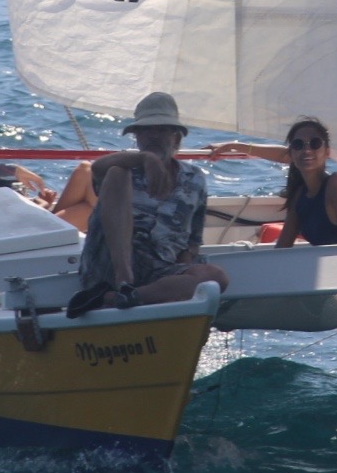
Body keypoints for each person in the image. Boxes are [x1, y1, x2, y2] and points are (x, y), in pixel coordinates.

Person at [69, 92, 228, 314]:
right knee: (116, 173)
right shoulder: (123, 169)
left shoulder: (194, 179)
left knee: (215, 277)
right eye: (145, 130)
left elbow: (192, 242)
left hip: (158, 270)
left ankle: (123, 297)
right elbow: (98, 168)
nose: (153, 136)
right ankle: (123, 282)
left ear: (176, 138)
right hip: (109, 267)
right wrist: (146, 159)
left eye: (162, 129)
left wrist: (183, 275)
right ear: (136, 137)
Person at [270, 116, 337, 247]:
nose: (306, 150)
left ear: (327, 152)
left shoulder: (336, 184)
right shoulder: (299, 195)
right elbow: (282, 248)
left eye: (315, 143)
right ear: (291, 154)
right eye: (298, 145)